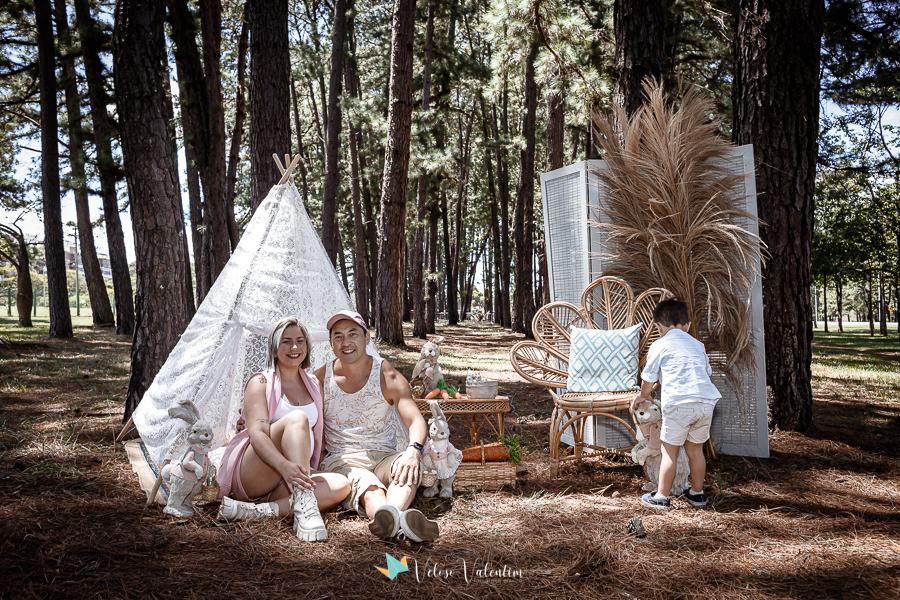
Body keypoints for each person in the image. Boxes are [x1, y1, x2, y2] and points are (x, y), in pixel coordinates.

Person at [216, 317, 351, 541]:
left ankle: (257, 512)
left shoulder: (314, 384)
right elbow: (257, 434)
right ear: (275, 349)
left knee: (341, 485)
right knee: (297, 418)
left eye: (300, 341)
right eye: (286, 341)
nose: (294, 347)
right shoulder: (260, 382)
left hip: (291, 478)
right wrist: (284, 466)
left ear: (307, 347)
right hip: (257, 470)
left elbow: (319, 435)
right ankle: (305, 507)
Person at [315, 310, 438, 542]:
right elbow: (289, 403)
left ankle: (392, 523)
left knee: (406, 470)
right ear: (331, 344)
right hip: (343, 461)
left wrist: (413, 451)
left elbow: (415, 420)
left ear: (367, 338)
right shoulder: (321, 378)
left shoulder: (386, 374)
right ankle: (401, 526)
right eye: (338, 337)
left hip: (384, 456)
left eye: (353, 334)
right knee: (371, 490)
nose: (346, 342)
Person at [631, 298, 721, 510]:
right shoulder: (698, 345)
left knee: (669, 452)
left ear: (658, 327)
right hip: (705, 403)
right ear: (688, 326)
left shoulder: (660, 344)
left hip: (679, 405)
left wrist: (644, 395)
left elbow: (649, 377)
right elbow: (706, 373)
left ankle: (661, 496)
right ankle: (697, 494)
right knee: (696, 451)